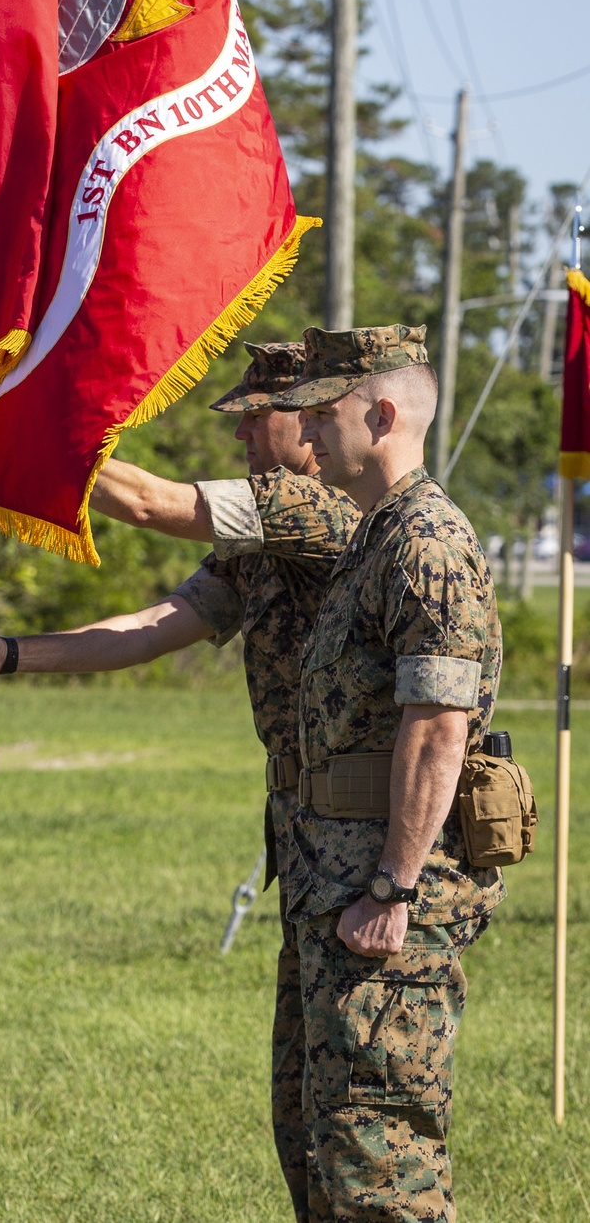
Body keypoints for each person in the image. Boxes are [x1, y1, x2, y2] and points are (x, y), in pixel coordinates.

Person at [0, 341, 358, 1222]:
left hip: (362, 840)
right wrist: (14, 653)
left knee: (358, 1122)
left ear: (314, 425)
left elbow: (149, 501)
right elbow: (152, 626)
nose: (244, 433)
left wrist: (28, 418)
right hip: (309, 839)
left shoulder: (311, 504)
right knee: (303, 1115)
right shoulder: (262, 539)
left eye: (261, 417)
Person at [273, 324, 504, 1222]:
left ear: (381, 413)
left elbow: (440, 725)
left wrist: (393, 884)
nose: (309, 434)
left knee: (379, 1161)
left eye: (322, 415)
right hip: (337, 886)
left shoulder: (427, 542)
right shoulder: (377, 534)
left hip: (382, 896)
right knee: (327, 1144)